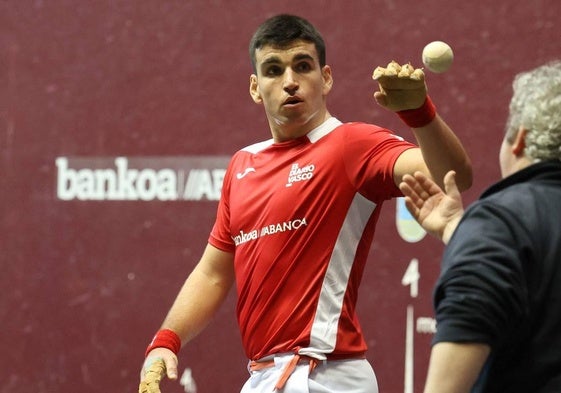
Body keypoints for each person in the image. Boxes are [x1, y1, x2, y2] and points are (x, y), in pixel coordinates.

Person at [139, 14, 473, 393]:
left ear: (325, 78)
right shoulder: (242, 166)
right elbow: (214, 272)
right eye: (273, 70)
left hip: (327, 376)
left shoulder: (352, 145)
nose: (290, 81)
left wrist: (419, 114)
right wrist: (166, 340)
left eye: (302, 66)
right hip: (263, 378)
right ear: (255, 87)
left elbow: (453, 178)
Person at [399, 60, 561, 393]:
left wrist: (478, 233)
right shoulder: (495, 230)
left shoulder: (498, 224)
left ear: (519, 139)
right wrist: (459, 230)